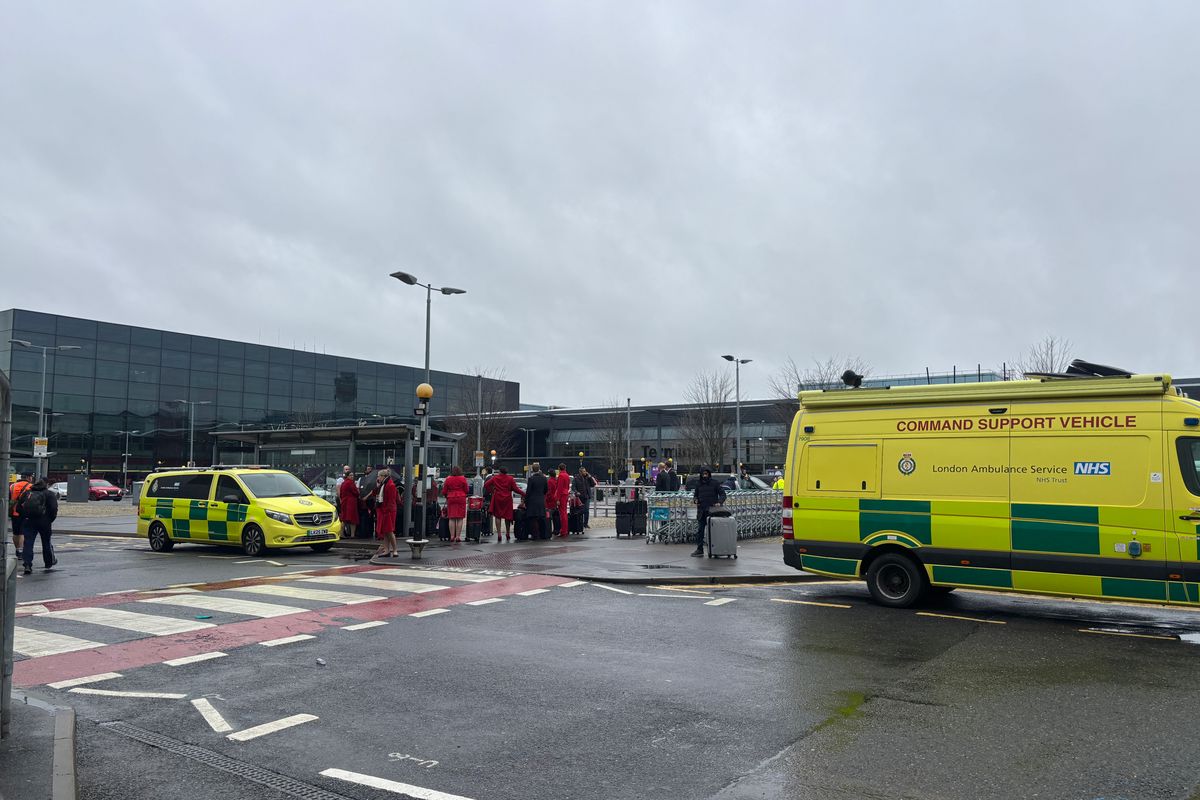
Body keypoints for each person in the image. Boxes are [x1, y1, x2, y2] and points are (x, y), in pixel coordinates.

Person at [19, 477, 58, 574]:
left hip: (29, 521)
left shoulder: (27, 493)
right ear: (46, 485)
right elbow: (53, 509)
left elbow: (19, 507)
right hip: (44, 521)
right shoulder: (49, 494)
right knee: (46, 542)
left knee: (28, 543)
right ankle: (48, 562)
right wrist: (50, 519)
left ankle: (27, 564)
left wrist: (25, 516)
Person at [691, 467, 726, 557]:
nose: (705, 475)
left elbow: (723, 494)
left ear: (709, 474)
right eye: (703, 474)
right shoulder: (698, 484)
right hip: (702, 510)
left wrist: (719, 502)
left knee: (714, 532)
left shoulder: (715, 483)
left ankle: (716, 549)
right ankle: (700, 549)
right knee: (700, 531)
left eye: (706, 473)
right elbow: (695, 496)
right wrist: (695, 500)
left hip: (712, 511)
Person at [486, 467, 524, 541]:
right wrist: (524, 493)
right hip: (507, 498)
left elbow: (486, 485)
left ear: (500, 472)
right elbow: (516, 489)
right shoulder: (510, 478)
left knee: (497, 516)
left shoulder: (495, 478)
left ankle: (499, 534)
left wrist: (492, 491)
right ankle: (507, 533)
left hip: (497, 497)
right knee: (508, 516)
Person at [373, 469, 400, 558]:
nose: (378, 478)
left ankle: (395, 550)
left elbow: (391, 500)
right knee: (385, 531)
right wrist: (377, 486)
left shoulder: (390, 485)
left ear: (383, 476)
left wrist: (386, 510)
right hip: (383, 510)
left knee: (389, 531)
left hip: (388, 511)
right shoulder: (382, 485)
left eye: (379, 476)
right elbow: (375, 494)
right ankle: (386, 550)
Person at [442, 465, 470, 543]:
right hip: (461, 498)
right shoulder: (463, 478)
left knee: (451, 518)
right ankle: (458, 536)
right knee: (460, 518)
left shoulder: (448, 479)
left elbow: (444, 491)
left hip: (451, 498)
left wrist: (447, 496)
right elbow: (467, 490)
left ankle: (451, 536)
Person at [9, 470, 32, 558]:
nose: (31, 478)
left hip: (14, 512)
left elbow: (9, 498)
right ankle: (21, 551)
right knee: (22, 532)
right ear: (28, 477)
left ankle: (17, 549)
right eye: (31, 477)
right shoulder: (30, 486)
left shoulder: (12, 486)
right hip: (25, 512)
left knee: (16, 533)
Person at [524, 463, 549, 540]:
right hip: (541, 500)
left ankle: (535, 535)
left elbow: (528, 491)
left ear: (532, 469)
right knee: (541, 518)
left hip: (532, 501)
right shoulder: (544, 478)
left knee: (533, 519)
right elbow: (546, 490)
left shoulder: (531, 479)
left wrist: (526, 500)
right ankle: (543, 534)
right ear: (539, 469)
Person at [338, 469, 360, 539]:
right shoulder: (351, 483)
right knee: (353, 519)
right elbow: (356, 492)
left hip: (344, 502)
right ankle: (352, 535)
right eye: (350, 475)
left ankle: (341, 533)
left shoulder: (343, 483)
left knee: (344, 518)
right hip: (351, 502)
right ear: (347, 476)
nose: (352, 476)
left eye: (353, 475)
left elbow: (340, 493)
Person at [553, 463, 572, 539]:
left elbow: (559, 488)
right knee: (564, 512)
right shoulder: (567, 475)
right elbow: (567, 487)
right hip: (565, 494)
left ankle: (563, 531)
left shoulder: (561, 475)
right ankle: (565, 530)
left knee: (562, 514)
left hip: (561, 496)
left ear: (559, 468)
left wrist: (557, 499)